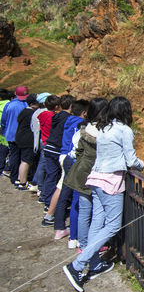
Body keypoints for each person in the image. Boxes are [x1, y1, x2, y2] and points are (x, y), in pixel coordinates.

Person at [63, 97, 144, 292]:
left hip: (95, 180)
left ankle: (95, 262)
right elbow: (131, 159)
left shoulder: (104, 128)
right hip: (110, 182)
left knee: (97, 222)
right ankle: (77, 266)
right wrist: (142, 165)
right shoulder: (124, 130)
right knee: (113, 226)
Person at [63, 97, 108, 252]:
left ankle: (82, 244)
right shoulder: (105, 131)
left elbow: (78, 151)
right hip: (98, 173)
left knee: (84, 210)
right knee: (98, 211)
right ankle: (95, 243)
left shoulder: (85, 128)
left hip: (82, 171)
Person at [51, 99, 89, 241]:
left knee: (63, 190)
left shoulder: (67, 119)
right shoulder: (80, 125)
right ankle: (76, 235)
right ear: (84, 113)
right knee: (75, 197)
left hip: (64, 156)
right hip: (72, 160)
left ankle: (59, 226)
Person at [40, 94, 74, 216]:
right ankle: (55, 204)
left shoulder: (56, 116)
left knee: (50, 176)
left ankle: (46, 200)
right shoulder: (69, 119)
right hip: (57, 150)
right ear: (71, 106)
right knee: (59, 178)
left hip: (49, 147)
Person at [30, 94, 59, 194]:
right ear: (56, 106)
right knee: (44, 165)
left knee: (42, 163)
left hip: (42, 140)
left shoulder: (42, 114)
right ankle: (39, 186)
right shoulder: (52, 117)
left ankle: (38, 184)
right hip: (48, 142)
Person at [0, 86, 29, 184]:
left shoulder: (9, 105)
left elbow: (3, 121)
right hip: (24, 135)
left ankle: (13, 176)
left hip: (11, 134)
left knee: (14, 155)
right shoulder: (27, 105)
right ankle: (22, 177)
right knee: (23, 157)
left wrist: (4, 130)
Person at [14, 94, 40, 189]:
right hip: (27, 139)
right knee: (26, 161)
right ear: (33, 104)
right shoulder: (31, 114)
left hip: (20, 137)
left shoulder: (24, 111)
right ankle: (23, 182)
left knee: (23, 160)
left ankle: (19, 179)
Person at [0, 89, 12, 174]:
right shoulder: (9, 104)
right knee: (6, 147)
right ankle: (4, 167)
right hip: (6, 128)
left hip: (2, 127)